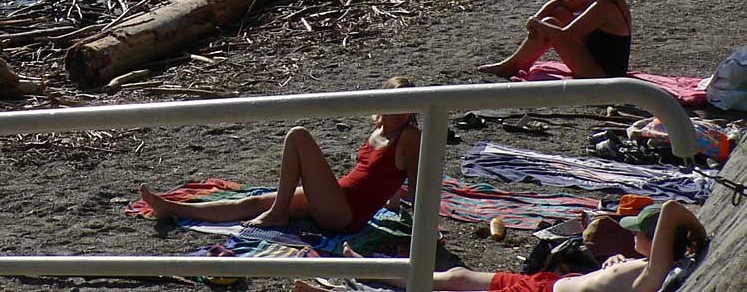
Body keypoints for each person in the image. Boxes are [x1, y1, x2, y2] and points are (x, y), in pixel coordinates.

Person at [139, 76, 421, 232]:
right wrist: (392, 202)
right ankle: (172, 209)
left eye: (406, 107)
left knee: (298, 135)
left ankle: (277, 214)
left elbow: (419, 181)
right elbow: (386, 178)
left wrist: (424, 230)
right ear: (383, 101)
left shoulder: (409, 136)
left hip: (345, 213)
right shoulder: (379, 131)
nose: (399, 113)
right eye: (395, 104)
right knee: (256, 201)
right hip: (338, 196)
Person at [294, 200, 706, 292]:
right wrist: (612, 265)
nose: (630, 233)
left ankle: (369, 272)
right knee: (456, 277)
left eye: (641, 230)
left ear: (659, 240)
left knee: (449, 283)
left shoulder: (654, 272)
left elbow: (672, 211)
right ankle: (374, 270)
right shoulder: (649, 264)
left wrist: (687, 226)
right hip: (545, 284)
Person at [478, 0, 631, 78]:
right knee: (558, 13)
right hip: (596, 59)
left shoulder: (606, 5)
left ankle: (509, 66)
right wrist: (535, 18)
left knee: (549, 25)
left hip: (605, 75)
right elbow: (559, 3)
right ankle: (512, 64)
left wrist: (537, 25)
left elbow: (567, 34)